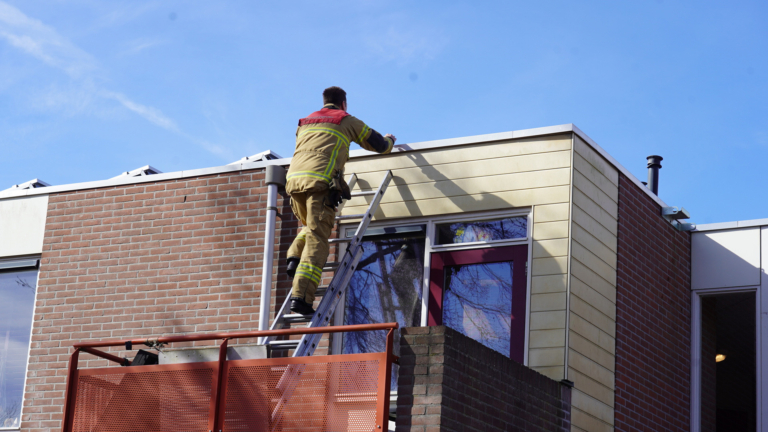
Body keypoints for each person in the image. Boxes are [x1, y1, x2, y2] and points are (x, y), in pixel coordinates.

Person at [285, 86, 396, 315]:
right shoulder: (345, 120)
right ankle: (301, 297)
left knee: (312, 227)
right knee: (318, 238)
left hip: (294, 184)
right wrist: (390, 140)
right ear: (343, 103)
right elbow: (379, 145)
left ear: (324, 101)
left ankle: (294, 257)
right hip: (320, 185)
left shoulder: (305, 122)